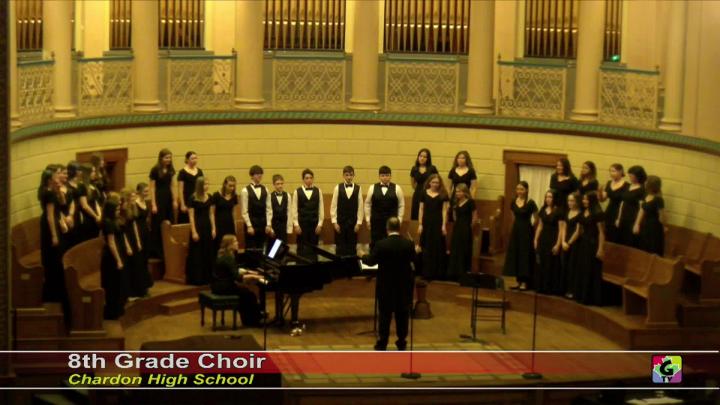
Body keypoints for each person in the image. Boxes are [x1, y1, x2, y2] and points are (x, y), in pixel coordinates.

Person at [361, 217, 416, 351]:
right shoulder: (408, 244)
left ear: (387, 228)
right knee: (402, 315)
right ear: (399, 228)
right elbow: (414, 260)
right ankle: (401, 342)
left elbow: (371, 261)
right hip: (403, 286)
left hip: (386, 286)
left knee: (385, 315)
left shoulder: (381, 244)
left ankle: (382, 343)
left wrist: (362, 255)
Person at [212, 235, 264, 327]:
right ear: (229, 245)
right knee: (249, 295)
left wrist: (248, 272)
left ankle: (249, 319)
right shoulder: (228, 257)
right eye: (235, 241)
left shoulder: (226, 255)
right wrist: (254, 276)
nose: (238, 243)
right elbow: (237, 277)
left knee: (246, 293)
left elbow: (233, 270)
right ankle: (254, 321)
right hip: (224, 287)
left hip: (219, 285)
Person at [38, 168, 67, 305]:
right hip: (50, 226)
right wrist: (54, 235)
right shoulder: (48, 193)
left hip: (54, 222)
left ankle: (57, 289)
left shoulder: (52, 191)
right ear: (50, 180)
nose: (58, 178)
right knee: (53, 258)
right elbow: (50, 216)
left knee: (57, 257)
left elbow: (63, 203)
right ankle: (53, 292)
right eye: (56, 177)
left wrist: (59, 191)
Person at [503, 181, 538, 291]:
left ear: (526, 190)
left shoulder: (531, 203)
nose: (519, 191)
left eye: (521, 189)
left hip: (526, 231)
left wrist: (531, 227)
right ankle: (518, 281)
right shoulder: (513, 202)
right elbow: (513, 216)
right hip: (516, 230)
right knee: (516, 254)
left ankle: (525, 282)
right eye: (518, 189)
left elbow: (536, 218)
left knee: (524, 255)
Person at [100, 194, 129, 319]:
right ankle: (112, 311)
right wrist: (118, 260)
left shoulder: (113, 221)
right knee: (112, 285)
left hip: (117, 253)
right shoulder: (108, 223)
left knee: (118, 283)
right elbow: (111, 244)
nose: (118, 211)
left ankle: (118, 308)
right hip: (111, 257)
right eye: (116, 209)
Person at [417, 174, 449, 280]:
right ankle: (426, 272)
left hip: (438, 223)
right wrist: (420, 224)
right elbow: (421, 209)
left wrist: (443, 225)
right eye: (433, 182)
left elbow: (444, 211)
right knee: (426, 247)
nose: (435, 184)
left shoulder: (443, 194)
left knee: (437, 247)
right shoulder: (423, 193)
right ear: (429, 182)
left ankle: (437, 273)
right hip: (426, 223)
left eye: (437, 182)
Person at [575, 192, 605, 306]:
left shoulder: (597, 213)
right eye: (583, 199)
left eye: (587, 199)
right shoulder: (583, 212)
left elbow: (601, 232)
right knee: (582, 269)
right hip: (583, 243)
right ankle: (581, 295)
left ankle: (590, 298)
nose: (584, 201)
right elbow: (580, 229)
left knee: (590, 270)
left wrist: (600, 248)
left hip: (593, 244)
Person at [121, 189, 152, 298]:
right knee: (131, 264)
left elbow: (134, 225)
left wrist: (138, 241)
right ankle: (131, 292)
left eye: (135, 196)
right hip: (126, 237)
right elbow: (122, 230)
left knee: (138, 263)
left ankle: (140, 290)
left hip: (133, 237)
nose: (135, 199)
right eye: (132, 197)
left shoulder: (133, 208)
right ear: (127, 198)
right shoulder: (123, 210)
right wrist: (127, 246)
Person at [185, 177, 216, 285]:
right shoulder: (192, 198)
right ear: (199, 186)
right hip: (198, 226)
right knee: (198, 253)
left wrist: (213, 228)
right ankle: (197, 278)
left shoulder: (210, 197)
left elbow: (211, 214)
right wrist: (194, 231)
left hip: (207, 226)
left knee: (208, 251)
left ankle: (208, 277)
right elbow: (191, 217)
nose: (206, 186)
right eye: (204, 184)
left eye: (207, 184)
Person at [364, 166, 405, 249]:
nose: (385, 177)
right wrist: (368, 220)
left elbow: (401, 205)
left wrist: (399, 220)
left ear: (390, 176)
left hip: (392, 222)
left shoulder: (397, 188)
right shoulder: (372, 188)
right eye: (382, 175)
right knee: (375, 242)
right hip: (376, 221)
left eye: (387, 175)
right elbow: (367, 204)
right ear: (379, 176)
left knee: (391, 244)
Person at [534, 190, 564, 295]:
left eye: (550, 197)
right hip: (543, 239)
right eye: (546, 197)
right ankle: (540, 286)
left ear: (554, 198)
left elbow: (561, 229)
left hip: (553, 239)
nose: (548, 199)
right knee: (541, 263)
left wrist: (558, 244)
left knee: (551, 264)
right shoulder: (543, 209)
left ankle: (550, 288)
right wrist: (535, 239)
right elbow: (540, 226)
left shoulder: (559, 211)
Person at [149, 149, 177, 258]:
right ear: (161, 158)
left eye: (170, 157)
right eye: (166, 158)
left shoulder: (171, 170)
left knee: (169, 222)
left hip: (168, 198)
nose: (168, 160)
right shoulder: (155, 170)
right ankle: (157, 251)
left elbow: (172, 186)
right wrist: (153, 204)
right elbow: (152, 188)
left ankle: (168, 248)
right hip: (159, 199)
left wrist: (174, 200)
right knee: (158, 223)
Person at [331, 166, 364, 257]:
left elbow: (360, 207)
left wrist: (358, 223)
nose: (349, 177)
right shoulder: (337, 188)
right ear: (343, 175)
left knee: (352, 248)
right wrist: (334, 222)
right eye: (347, 175)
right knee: (340, 248)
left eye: (351, 175)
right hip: (340, 223)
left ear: (353, 175)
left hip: (353, 224)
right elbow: (333, 206)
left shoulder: (358, 188)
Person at [446, 184, 477, 281]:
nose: (457, 193)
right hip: (457, 228)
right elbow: (454, 216)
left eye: (459, 191)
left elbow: (474, 216)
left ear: (465, 192)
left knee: (464, 250)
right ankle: (454, 273)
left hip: (466, 228)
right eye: (456, 191)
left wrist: (469, 227)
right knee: (455, 249)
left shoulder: (470, 202)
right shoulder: (455, 202)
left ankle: (463, 272)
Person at [292, 169, 324, 259]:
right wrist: (296, 225)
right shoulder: (297, 192)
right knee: (301, 249)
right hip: (302, 226)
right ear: (303, 179)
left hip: (315, 225)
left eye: (310, 178)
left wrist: (320, 224)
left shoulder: (318, 191)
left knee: (314, 249)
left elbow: (321, 208)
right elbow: (294, 210)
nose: (309, 180)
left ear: (313, 179)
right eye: (307, 178)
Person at [241, 165, 273, 251]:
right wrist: (249, 226)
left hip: (263, 224)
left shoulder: (266, 189)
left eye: (261, 173)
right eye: (257, 173)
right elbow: (244, 211)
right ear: (251, 175)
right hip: (251, 223)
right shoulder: (245, 191)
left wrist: (268, 224)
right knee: (251, 248)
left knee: (263, 248)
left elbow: (269, 209)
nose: (259, 175)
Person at [616, 165, 646, 248]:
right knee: (620, 240)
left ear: (638, 177)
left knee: (630, 241)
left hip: (633, 218)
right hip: (624, 217)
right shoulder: (628, 186)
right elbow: (622, 203)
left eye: (632, 176)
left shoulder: (642, 189)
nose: (630, 178)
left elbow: (641, 208)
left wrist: (637, 224)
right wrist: (619, 218)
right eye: (629, 176)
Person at [635, 175, 666, 256]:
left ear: (651, 185)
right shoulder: (646, 195)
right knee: (644, 248)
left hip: (654, 227)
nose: (644, 183)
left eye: (646, 181)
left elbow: (662, 216)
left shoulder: (658, 199)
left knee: (653, 249)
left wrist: (664, 226)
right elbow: (642, 210)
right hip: (646, 225)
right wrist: (637, 224)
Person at [599, 163, 628, 243]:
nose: (611, 173)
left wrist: (619, 218)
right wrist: (599, 192)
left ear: (620, 171)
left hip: (620, 211)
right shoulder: (609, 183)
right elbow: (602, 199)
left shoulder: (626, 185)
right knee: (607, 231)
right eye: (610, 171)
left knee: (616, 234)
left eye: (614, 171)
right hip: (610, 210)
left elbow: (624, 202)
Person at [561, 192, 582, 300]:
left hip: (575, 243)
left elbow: (578, 232)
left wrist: (569, 243)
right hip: (565, 241)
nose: (570, 202)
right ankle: (564, 289)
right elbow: (564, 227)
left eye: (572, 200)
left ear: (577, 201)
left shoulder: (580, 214)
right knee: (564, 265)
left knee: (572, 267)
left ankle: (572, 290)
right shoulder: (567, 212)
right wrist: (563, 241)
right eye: (568, 200)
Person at [447, 151, 478, 220]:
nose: (460, 160)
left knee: (465, 218)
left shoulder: (471, 171)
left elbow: (474, 187)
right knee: (453, 218)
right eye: (459, 158)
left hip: (466, 198)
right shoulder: (452, 171)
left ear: (467, 160)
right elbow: (448, 187)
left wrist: (471, 200)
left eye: (463, 158)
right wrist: (448, 200)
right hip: (455, 198)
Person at [76, 164, 102, 243]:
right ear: (87, 173)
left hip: (95, 216)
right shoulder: (81, 186)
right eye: (92, 172)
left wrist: (99, 215)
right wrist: (95, 216)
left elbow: (96, 202)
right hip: (87, 217)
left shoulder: (92, 185)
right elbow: (84, 205)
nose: (94, 173)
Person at [135, 183, 153, 291]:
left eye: (147, 191)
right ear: (139, 191)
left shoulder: (145, 202)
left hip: (145, 232)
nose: (147, 193)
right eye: (145, 191)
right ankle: (139, 285)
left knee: (145, 257)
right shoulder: (135, 203)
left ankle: (145, 284)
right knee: (140, 259)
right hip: (138, 232)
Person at [410, 149, 438, 220]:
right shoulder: (414, 169)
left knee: (427, 215)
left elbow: (437, 181)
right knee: (416, 214)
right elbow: (413, 184)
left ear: (428, 158)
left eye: (425, 157)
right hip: (418, 194)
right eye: (420, 156)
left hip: (429, 193)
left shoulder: (432, 168)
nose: (422, 158)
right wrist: (419, 190)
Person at [177, 151, 204, 224]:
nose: (195, 160)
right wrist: (182, 204)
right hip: (186, 199)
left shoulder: (200, 171)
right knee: (186, 221)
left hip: (197, 199)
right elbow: (180, 189)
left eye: (196, 158)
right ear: (187, 159)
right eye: (192, 158)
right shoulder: (182, 172)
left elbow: (202, 187)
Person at [213, 175, 239, 249]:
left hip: (230, 223)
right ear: (225, 184)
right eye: (230, 186)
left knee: (231, 244)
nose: (232, 188)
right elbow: (212, 213)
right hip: (219, 223)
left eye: (233, 186)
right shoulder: (216, 195)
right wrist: (213, 228)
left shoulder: (234, 196)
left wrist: (235, 225)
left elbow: (233, 212)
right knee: (220, 244)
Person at [269, 174, 293, 245]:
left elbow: (289, 212)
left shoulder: (287, 195)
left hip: (284, 226)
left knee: (283, 246)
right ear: (274, 184)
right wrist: (270, 228)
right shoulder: (269, 196)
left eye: (281, 183)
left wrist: (289, 228)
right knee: (274, 247)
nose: (280, 186)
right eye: (278, 184)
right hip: (274, 225)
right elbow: (269, 213)